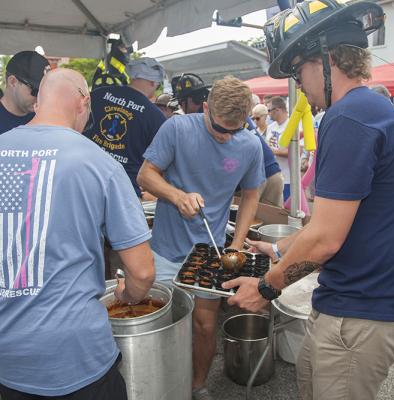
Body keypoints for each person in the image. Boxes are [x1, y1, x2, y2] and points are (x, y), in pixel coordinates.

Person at [224, 1, 394, 399]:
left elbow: (324, 240)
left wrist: (265, 288)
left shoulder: (349, 116)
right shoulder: (371, 109)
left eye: (299, 68)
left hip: (357, 312)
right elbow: (349, 221)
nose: (297, 84)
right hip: (347, 301)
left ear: (328, 58)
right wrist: (277, 247)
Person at [0, 68, 155, 400]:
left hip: (8, 360)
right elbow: (142, 272)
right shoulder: (100, 164)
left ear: (38, 101)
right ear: (84, 102)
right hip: (78, 357)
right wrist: (129, 296)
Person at [137, 76, 265, 400]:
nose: (226, 137)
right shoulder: (178, 130)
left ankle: (198, 385)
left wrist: (236, 245)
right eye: (220, 128)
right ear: (205, 108)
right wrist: (177, 196)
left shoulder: (249, 144)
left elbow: (251, 195)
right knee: (161, 320)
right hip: (166, 248)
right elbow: (146, 175)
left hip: (210, 249)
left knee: (205, 325)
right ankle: (163, 383)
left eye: (234, 131)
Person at [84, 57, 166, 198]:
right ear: (153, 82)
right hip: (123, 191)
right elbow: (158, 164)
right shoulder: (155, 117)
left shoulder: (98, 95)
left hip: (85, 178)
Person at [0, 50, 50, 134]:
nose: (39, 97)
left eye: (44, 91)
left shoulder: (46, 119)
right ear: (12, 82)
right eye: (35, 90)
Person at [265, 96, 290, 200]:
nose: (268, 113)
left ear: (277, 110)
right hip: (273, 177)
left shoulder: (292, 125)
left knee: (287, 211)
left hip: (289, 178)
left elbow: (294, 152)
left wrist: (271, 151)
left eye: (269, 110)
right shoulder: (270, 127)